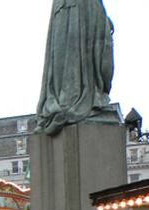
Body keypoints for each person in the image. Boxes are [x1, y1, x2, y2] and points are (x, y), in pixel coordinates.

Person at [35, 0, 118, 136]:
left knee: (91, 53)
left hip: (85, 9)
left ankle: (78, 100)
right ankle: (70, 101)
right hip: (68, 9)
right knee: (67, 56)